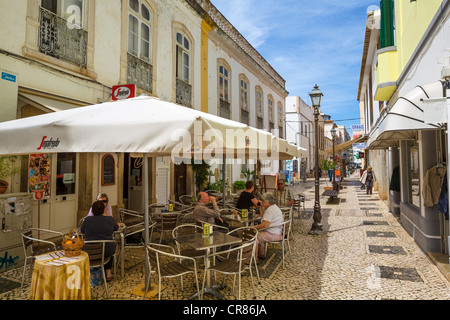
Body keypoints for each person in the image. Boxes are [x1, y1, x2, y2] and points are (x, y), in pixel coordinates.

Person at [81, 200, 120, 282]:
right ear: (104, 210)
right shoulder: (110, 220)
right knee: (109, 245)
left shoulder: (87, 220)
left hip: (90, 251)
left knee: (101, 246)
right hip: (106, 251)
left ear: (91, 211)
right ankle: (108, 273)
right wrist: (106, 215)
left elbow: (82, 231)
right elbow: (116, 228)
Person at [253, 193, 284, 261]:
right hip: (278, 233)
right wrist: (261, 207)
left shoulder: (270, 210)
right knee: (259, 233)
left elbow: (264, 225)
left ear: (268, 202)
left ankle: (255, 259)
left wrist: (253, 227)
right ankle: (261, 254)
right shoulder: (274, 207)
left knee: (254, 235)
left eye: (263, 201)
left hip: (273, 234)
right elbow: (264, 217)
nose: (262, 202)